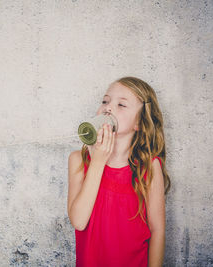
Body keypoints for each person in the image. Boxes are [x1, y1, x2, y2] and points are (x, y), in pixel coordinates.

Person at [67, 76, 171, 266]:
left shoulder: (148, 167)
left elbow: (157, 230)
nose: (108, 108)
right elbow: (79, 222)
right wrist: (98, 162)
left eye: (121, 105)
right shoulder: (78, 161)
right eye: (105, 101)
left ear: (138, 123)